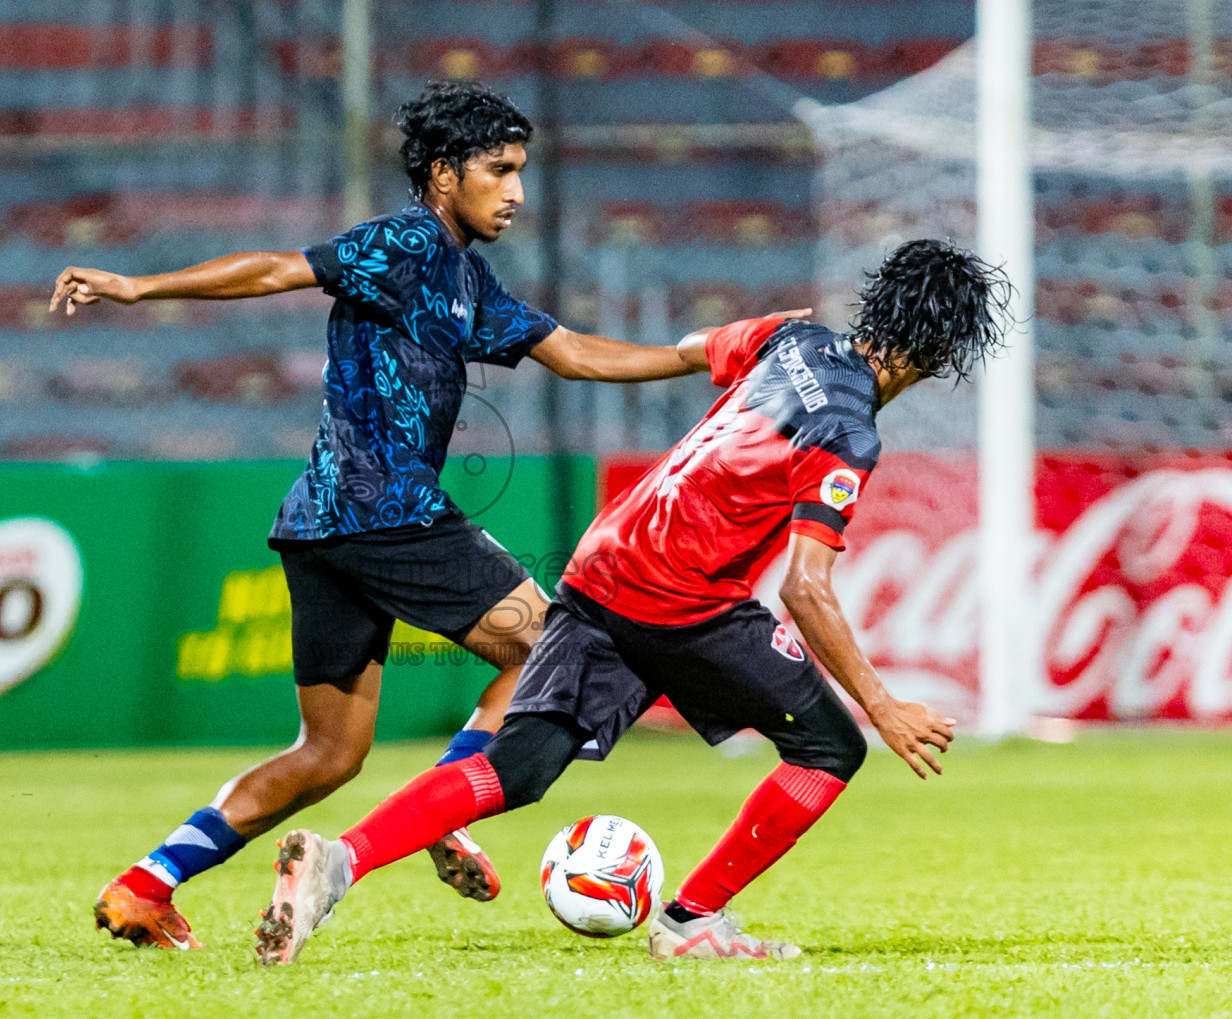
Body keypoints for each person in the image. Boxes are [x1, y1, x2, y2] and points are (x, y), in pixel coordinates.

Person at [51, 80, 787, 950]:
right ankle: (445, 807)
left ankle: (147, 884)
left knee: (328, 755)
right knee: (561, 648)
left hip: (322, 525)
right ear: (444, 174)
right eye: (499, 171)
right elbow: (281, 268)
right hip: (388, 512)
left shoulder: (465, 280)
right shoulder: (405, 243)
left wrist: (718, 354)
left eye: (520, 172)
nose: (516, 193)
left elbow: (579, 354)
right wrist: (139, 287)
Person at [250, 238, 1013, 966]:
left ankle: (340, 861)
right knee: (830, 747)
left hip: (603, 562)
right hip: (682, 598)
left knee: (522, 767)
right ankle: (692, 921)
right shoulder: (846, 433)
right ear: (941, 352)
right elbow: (805, 588)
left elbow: (690, 347)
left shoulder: (792, 338)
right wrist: (882, 707)